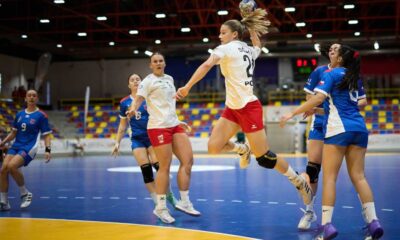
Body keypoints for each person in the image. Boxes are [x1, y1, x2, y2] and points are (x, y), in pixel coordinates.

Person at [175, 8, 312, 206]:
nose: (219, 36)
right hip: (232, 108)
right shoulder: (247, 50)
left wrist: (187, 87)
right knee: (213, 147)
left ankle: (298, 181)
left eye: (223, 32)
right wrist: (251, 27)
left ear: (234, 34)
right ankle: (242, 149)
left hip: (249, 107)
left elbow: (206, 65)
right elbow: (257, 45)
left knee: (264, 158)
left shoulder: (225, 49)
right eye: (220, 32)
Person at [280, 44, 384, 239]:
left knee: (329, 178)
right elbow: (341, 105)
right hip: (359, 129)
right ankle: (373, 222)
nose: (331, 52)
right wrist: (316, 111)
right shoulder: (353, 76)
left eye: (335, 51)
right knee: (359, 177)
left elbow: (317, 97)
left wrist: (292, 113)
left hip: (338, 130)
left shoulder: (331, 74)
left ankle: (326, 225)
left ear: (341, 59)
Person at [297, 43, 368, 230]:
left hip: (338, 122)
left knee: (347, 175)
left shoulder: (348, 73)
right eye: (330, 48)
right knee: (313, 169)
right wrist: (321, 109)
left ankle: (360, 219)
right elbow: (310, 99)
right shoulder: (320, 72)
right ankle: (310, 212)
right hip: (320, 122)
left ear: (341, 55)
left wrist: (343, 106)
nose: (331, 49)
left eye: (335, 48)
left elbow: (362, 101)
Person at [126, 53, 200, 224]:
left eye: (160, 61)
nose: (158, 63)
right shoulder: (147, 81)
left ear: (164, 63)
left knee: (188, 161)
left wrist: (178, 120)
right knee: (164, 167)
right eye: (155, 61)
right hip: (158, 127)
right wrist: (132, 109)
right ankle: (160, 207)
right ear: (151, 65)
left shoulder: (170, 79)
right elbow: (138, 100)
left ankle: (185, 201)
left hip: (174, 124)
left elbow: (168, 104)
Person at [111, 73, 177, 207]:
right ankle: (157, 202)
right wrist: (117, 143)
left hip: (152, 137)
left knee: (161, 169)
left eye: (137, 79)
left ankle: (169, 195)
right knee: (146, 172)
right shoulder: (124, 103)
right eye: (132, 80)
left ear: (141, 83)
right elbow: (122, 125)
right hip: (137, 140)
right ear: (128, 85)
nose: (135, 81)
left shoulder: (149, 98)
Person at [0, 89, 52, 211]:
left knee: (12, 166)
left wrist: (48, 150)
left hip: (29, 147)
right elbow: (14, 133)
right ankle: (4, 202)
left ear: (37, 99)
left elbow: (47, 135)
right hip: (16, 145)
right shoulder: (19, 114)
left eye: (34, 95)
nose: (31, 97)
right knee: (3, 169)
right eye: (29, 95)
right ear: (25, 99)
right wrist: (3, 142)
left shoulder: (41, 116)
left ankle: (25, 193)